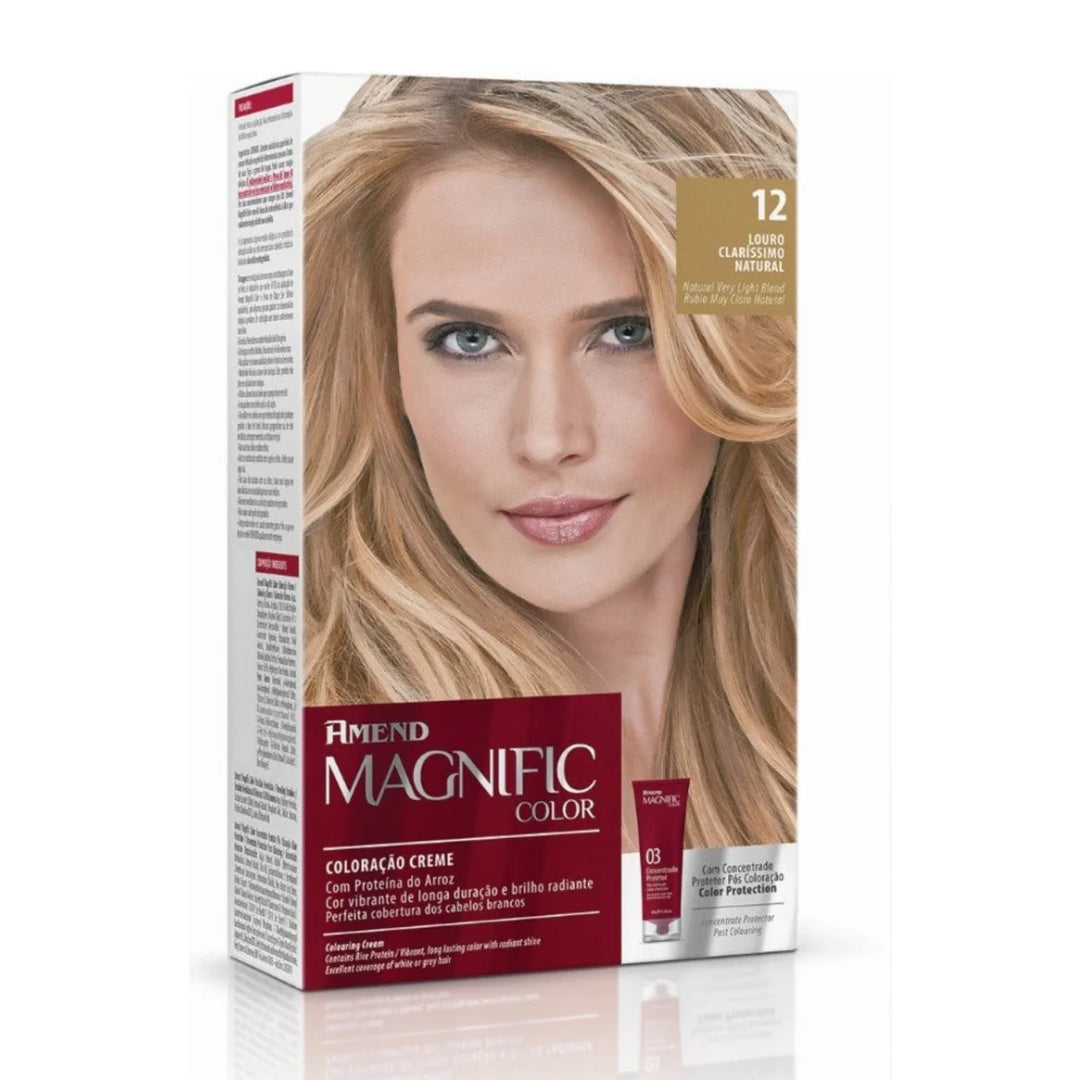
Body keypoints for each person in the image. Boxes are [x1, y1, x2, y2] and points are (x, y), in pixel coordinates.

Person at [303, 76, 795, 851]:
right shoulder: (351, 782)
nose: (546, 438)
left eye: (628, 332)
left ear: (734, 347)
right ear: (385, 371)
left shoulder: (828, 728)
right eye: (469, 341)